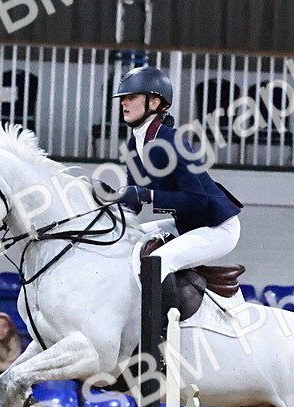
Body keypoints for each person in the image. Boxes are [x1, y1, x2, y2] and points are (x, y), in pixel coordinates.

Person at [99, 65, 243, 280]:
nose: (124, 102)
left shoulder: (172, 141)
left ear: (154, 102)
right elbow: (134, 204)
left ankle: (161, 315)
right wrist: (110, 200)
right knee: (126, 238)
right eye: (123, 98)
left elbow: (197, 199)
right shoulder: (134, 144)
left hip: (217, 228)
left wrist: (148, 195)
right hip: (186, 224)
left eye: (132, 97)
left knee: (158, 262)